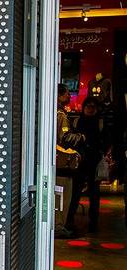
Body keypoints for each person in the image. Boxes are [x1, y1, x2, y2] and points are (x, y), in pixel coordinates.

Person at [65, 97, 108, 234]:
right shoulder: (78, 121)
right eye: (88, 106)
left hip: (94, 162)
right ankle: (70, 221)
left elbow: (106, 141)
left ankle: (92, 223)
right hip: (80, 162)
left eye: (92, 107)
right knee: (76, 192)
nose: (90, 109)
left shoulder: (99, 122)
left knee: (93, 193)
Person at [55, 84, 83, 238]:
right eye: (67, 94)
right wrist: (80, 137)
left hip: (58, 163)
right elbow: (65, 138)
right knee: (63, 196)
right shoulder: (61, 115)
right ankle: (58, 226)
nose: (69, 96)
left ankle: (58, 225)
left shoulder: (53, 112)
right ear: (60, 95)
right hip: (63, 164)